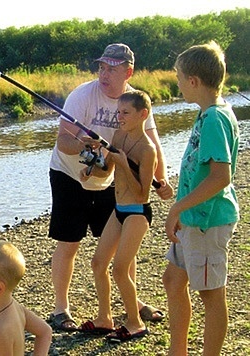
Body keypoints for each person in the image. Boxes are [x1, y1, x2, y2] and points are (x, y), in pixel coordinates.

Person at [47, 43, 173, 331]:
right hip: (68, 174)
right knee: (69, 242)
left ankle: (134, 304)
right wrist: (84, 145)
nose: (104, 74)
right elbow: (62, 142)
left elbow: (152, 144)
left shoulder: (136, 102)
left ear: (128, 72)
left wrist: (161, 180)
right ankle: (61, 309)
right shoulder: (82, 95)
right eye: (101, 67)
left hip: (113, 178)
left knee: (120, 246)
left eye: (112, 69)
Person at [162, 41, 240, 355]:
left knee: (210, 296)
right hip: (193, 220)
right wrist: (183, 211)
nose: (177, 84)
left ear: (193, 81)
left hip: (207, 222)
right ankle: (177, 350)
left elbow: (221, 177)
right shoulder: (207, 114)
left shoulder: (215, 119)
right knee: (172, 281)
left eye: (179, 78)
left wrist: (177, 207)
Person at [78, 90, 156, 342]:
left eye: (125, 113)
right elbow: (107, 172)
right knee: (98, 264)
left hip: (137, 213)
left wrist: (124, 163)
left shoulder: (147, 149)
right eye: (118, 112)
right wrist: (92, 169)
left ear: (142, 115)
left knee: (121, 270)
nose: (119, 117)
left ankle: (135, 323)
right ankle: (105, 319)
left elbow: (143, 194)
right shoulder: (118, 136)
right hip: (119, 209)